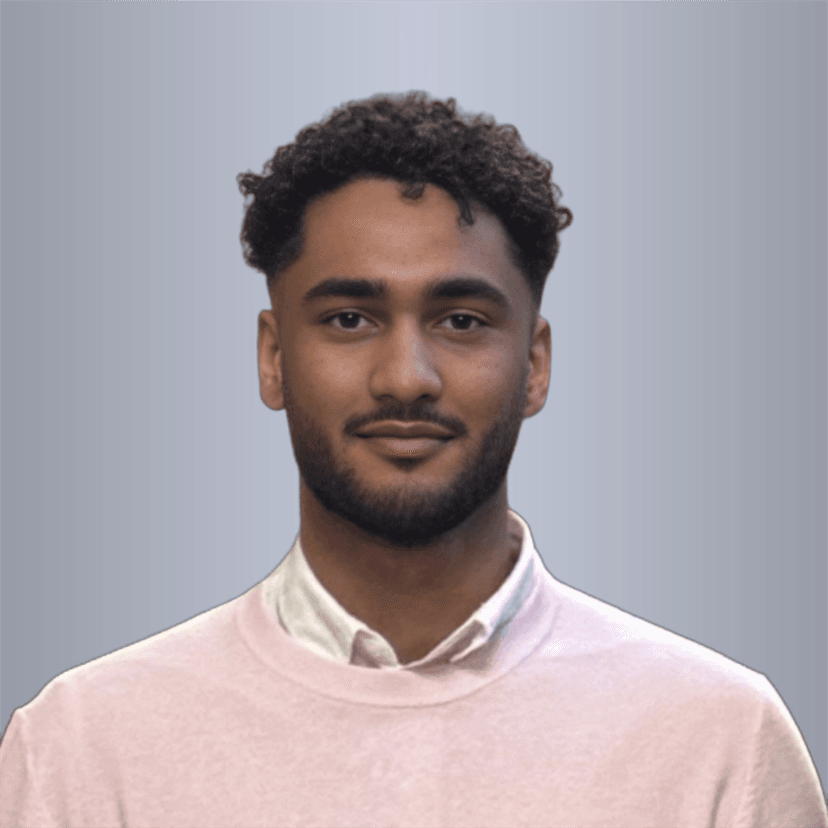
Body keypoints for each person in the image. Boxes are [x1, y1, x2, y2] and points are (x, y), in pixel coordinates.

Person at [0, 91, 825, 828]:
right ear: (273, 359)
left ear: (535, 365)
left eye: (461, 320)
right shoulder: (84, 745)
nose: (405, 378)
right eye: (349, 319)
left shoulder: (721, 740)